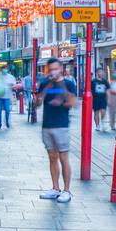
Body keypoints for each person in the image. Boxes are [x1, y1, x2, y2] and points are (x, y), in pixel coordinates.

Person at [34, 59, 77, 204]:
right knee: (52, 157)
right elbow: (37, 104)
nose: (53, 71)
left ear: (61, 69)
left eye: (56, 69)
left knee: (63, 158)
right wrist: (48, 86)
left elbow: (73, 103)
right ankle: (55, 188)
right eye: (51, 69)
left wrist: (61, 99)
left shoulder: (69, 84)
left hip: (61, 125)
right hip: (47, 125)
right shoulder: (45, 83)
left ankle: (67, 190)